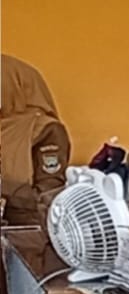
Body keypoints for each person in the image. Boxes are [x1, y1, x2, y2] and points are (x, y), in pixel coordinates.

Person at [1, 55, 71, 227]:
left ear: (16, 85)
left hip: (26, 233)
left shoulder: (46, 131)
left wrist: (4, 189)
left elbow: (47, 197)